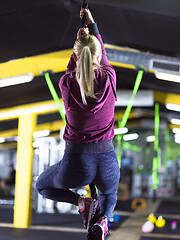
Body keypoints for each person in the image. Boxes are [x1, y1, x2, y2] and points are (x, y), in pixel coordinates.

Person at [36, 8, 120, 240]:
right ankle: (103, 221)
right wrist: (92, 26)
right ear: (96, 56)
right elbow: (101, 54)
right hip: (106, 160)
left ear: (76, 56)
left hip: (75, 164)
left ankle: (82, 203)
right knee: (109, 195)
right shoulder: (109, 77)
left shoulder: (66, 84)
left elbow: (75, 66)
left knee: (42, 186)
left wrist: (79, 43)